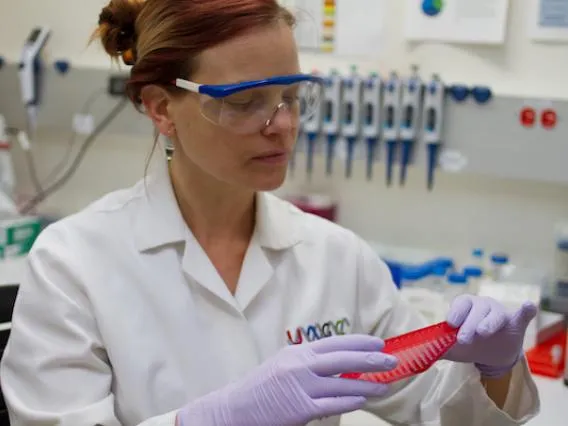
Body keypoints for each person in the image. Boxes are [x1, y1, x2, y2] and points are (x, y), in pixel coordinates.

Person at [0, 0, 540, 425]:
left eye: (292, 95)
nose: (281, 124)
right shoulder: (74, 263)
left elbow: (437, 412)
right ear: (162, 108)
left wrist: (494, 368)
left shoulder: (334, 256)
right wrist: (207, 421)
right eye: (244, 100)